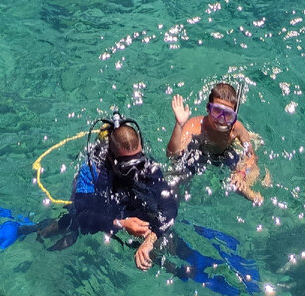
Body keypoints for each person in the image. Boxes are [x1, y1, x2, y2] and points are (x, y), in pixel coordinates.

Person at [41, 116, 178, 270]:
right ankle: (46, 230)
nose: (136, 170)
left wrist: (150, 240)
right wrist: (121, 223)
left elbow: (170, 206)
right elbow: (83, 214)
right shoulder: (92, 170)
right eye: (128, 165)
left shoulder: (147, 166)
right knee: (74, 220)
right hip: (99, 196)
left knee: (164, 243)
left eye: (138, 161)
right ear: (112, 158)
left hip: (126, 198)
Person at [167, 82, 262, 204]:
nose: (221, 119)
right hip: (198, 152)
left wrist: (242, 173)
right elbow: (172, 154)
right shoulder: (195, 126)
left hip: (224, 154)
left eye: (227, 114)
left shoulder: (236, 128)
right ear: (208, 108)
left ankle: (250, 193)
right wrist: (179, 125)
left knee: (241, 180)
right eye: (217, 111)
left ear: (234, 116)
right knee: (176, 176)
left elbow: (251, 155)